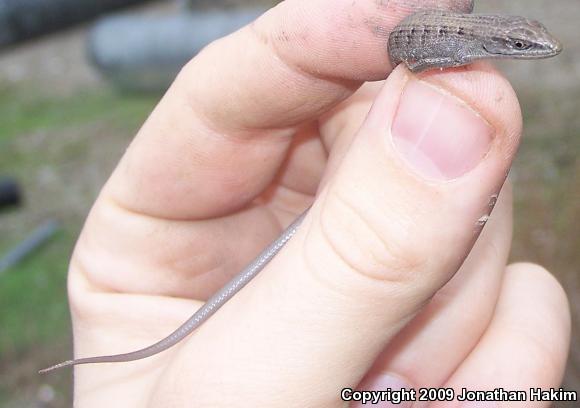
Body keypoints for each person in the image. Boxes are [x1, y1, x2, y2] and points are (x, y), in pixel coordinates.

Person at [66, 0, 570, 406]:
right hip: (409, 48)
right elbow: (419, 55)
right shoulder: (465, 47)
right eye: (524, 46)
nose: (536, 50)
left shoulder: (473, 43)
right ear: (503, 42)